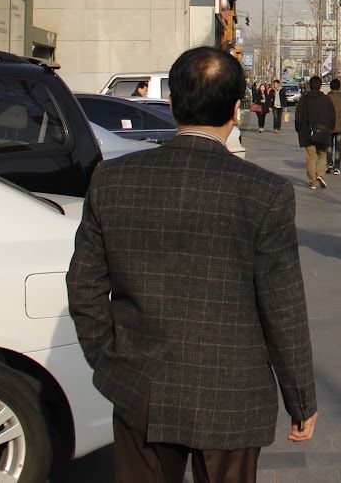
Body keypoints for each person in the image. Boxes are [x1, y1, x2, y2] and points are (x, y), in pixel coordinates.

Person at [66, 48, 317, 483]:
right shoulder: (264, 192)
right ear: (236, 109)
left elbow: (83, 286)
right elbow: (283, 308)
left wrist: (110, 362)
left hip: (141, 385)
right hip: (232, 392)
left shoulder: (113, 179)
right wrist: (301, 399)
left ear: (172, 105)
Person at [293, 76, 334, 189]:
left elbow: (298, 115)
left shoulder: (304, 99)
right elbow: (332, 116)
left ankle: (312, 181)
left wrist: (298, 128)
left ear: (309, 85)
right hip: (323, 131)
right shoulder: (326, 99)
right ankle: (320, 174)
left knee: (310, 157)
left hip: (307, 131)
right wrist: (330, 128)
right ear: (320, 86)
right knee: (322, 154)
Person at [326, 78, 341, 175]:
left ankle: (329, 163)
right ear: (339, 86)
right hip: (340, 127)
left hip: (329, 126)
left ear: (330, 87)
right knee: (338, 147)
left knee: (329, 145)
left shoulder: (327, 97)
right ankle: (337, 167)